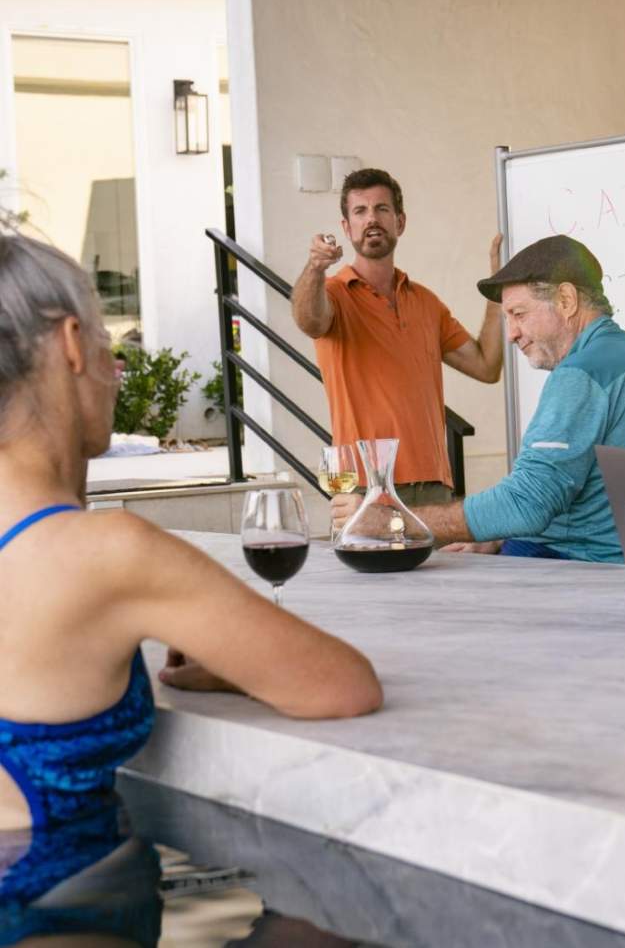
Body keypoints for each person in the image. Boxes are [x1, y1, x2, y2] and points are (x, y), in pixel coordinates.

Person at [0, 235, 382, 832]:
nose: (115, 370)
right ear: (72, 345)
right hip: (51, 902)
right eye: (107, 343)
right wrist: (233, 666)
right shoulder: (108, 553)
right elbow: (343, 686)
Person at [333, 235, 625, 563]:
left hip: (571, 564)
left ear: (566, 300)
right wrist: (495, 534)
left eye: (518, 314)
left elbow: (527, 503)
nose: (511, 334)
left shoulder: (580, 375)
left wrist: (392, 521)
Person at [291, 167, 503, 506]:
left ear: (400, 222)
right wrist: (316, 267)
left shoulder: (426, 302)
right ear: (346, 228)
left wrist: (499, 285)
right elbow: (308, 321)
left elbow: (487, 366)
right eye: (360, 211)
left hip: (433, 483)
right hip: (361, 487)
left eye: (382, 209)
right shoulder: (333, 294)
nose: (371, 218)